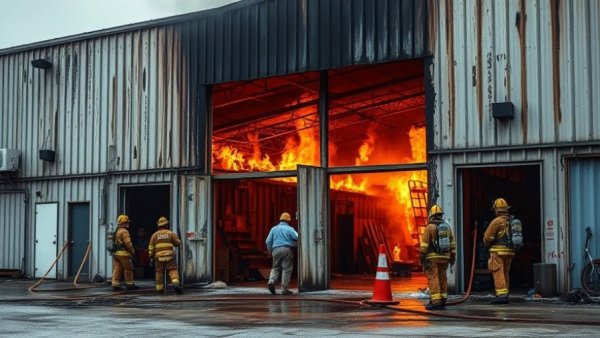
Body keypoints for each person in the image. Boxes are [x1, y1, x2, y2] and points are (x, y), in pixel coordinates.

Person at [419, 204, 456, 310]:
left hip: (432, 258)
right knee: (442, 278)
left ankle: (436, 302)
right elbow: (452, 244)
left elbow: (424, 245)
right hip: (445, 257)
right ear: (441, 215)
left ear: (431, 215)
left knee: (433, 278)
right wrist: (452, 257)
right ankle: (443, 299)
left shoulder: (430, 227)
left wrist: (422, 256)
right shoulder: (447, 227)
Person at [484, 197, 515, 304]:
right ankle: (505, 293)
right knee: (505, 272)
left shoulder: (497, 221)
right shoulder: (511, 221)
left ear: (497, 210)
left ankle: (501, 295)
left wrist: (486, 243)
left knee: (498, 271)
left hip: (497, 252)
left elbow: (488, 237)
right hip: (510, 252)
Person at [265, 212, 298, 295]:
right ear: (288, 220)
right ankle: (284, 289)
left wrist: (270, 251)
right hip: (287, 249)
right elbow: (298, 237)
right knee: (286, 269)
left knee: (275, 267)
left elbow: (268, 241)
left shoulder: (274, 229)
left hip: (275, 250)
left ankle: (271, 281)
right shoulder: (290, 229)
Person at [148, 216, 183, 294]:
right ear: (166, 225)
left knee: (159, 272)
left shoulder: (154, 235)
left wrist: (150, 256)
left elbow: (151, 247)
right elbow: (177, 243)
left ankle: (160, 288)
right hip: (169, 256)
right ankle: (176, 284)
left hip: (158, 257)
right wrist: (180, 241)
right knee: (172, 270)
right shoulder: (171, 233)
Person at [111, 214, 139, 291]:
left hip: (116, 253)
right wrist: (132, 251)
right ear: (123, 223)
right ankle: (130, 284)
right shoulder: (124, 231)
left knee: (117, 269)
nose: (128, 224)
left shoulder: (116, 231)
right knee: (128, 268)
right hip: (124, 254)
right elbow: (128, 243)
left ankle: (115, 284)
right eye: (127, 222)